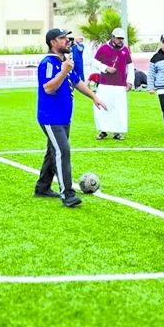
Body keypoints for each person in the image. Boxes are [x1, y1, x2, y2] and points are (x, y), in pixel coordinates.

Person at [35, 28, 108, 208]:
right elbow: (48, 88)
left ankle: (42, 187)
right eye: (62, 38)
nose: (67, 41)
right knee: (63, 152)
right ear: (53, 42)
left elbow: (77, 82)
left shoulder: (64, 62)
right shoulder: (49, 63)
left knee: (53, 151)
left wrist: (94, 97)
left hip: (63, 117)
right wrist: (63, 71)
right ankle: (67, 194)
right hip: (50, 118)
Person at [91, 27, 133, 140]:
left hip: (120, 84)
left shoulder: (125, 50)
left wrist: (130, 81)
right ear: (113, 37)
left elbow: (130, 65)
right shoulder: (104, 48)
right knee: (102, 106)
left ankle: (118, 132)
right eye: (118, 38)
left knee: (119, 108)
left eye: (122, 38)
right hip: (105, 84)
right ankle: (102, 131)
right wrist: (106, 68)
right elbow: (94, 61)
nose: (120, 40)